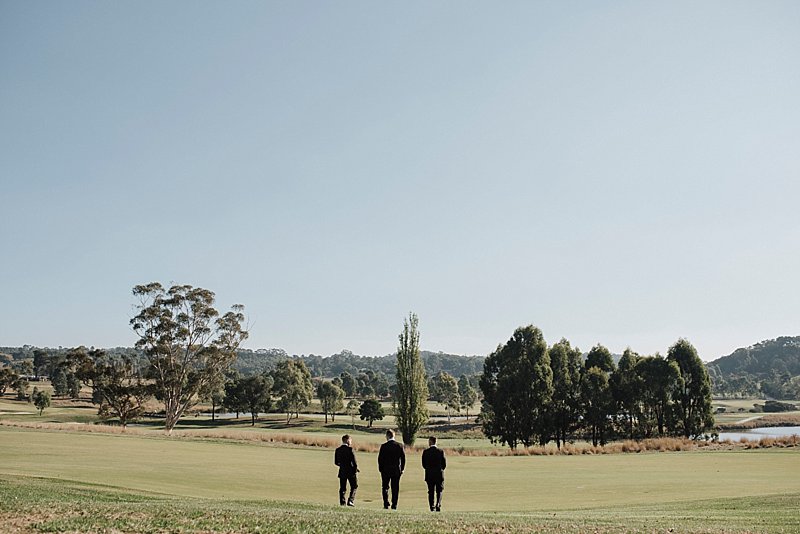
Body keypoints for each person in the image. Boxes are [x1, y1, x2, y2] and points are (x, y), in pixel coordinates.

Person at [377, 428, 405, 509]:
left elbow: (380, 459)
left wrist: (380, 469)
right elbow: (403, 459)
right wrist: (402, 469)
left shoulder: (384, 446)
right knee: (395, 488)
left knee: (385, 487)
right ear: (394, 435)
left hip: (385, 470)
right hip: (396, 470)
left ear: (387, 436)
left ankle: (386, 503)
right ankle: (394, 504)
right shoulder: (400, 446)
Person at [421, 436, 446, 511]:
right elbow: (444, 464)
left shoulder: (426, 452)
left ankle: (431, 506)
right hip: (439, 473)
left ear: (431, 441)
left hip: (429, 474)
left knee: (430, 491)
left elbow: (423, 464)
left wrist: (428, 469)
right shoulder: (440, 451)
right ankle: (438, 504)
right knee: (439, 490)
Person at [334, 434, 359, 506]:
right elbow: (354, 462)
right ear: (347, 440)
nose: (351, 442)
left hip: (342, 471)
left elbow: (336, 462)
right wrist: (355, 470)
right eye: (350, 440)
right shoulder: (350, 450)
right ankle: (350, 500)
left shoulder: (338, 450)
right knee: (354, 486)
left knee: (342, 488)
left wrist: (342, 465)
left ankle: (342, 502)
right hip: (351, 471)